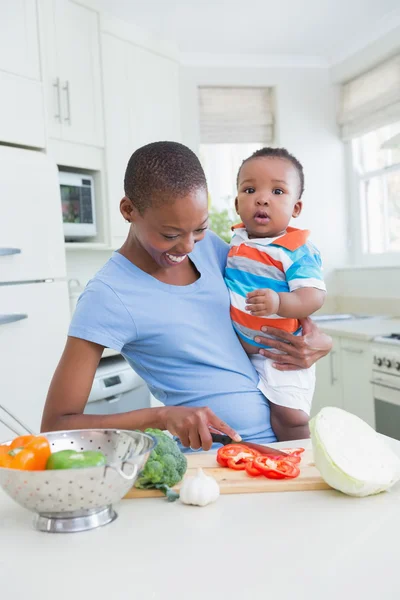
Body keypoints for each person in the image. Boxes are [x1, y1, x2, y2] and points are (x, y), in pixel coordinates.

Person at [41, 141, 332, 451]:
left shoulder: (214, 250)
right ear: (129, 210)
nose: (189, 246)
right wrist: (162, 416)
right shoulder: (108, 295)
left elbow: (275, 297)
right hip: (217, 461)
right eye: (170, 235)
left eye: (199, 228)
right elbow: (56, 425)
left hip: (282, 446)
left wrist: (319, 340)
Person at [225, 147, 326, 441]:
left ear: (296, 208)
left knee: (290, 417)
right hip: (244, 354)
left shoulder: (295, 249)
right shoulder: (237, 240)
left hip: (282, 353)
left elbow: (313, 295)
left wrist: (279, 302)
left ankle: (301, 460)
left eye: (278, 191)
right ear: (237, 202)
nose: (262, 197)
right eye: (250, 189)